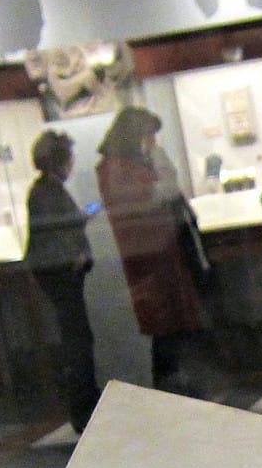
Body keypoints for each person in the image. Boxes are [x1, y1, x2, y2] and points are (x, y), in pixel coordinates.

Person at [96, 105, 208, 396]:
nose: (152, 143)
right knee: (166, 333)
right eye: (148, 136)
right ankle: (171, 394)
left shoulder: (131, 166)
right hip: (149, 257)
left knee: (175, 331)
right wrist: (161, 164)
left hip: (162, 253)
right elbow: (156, 196)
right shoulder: (117, 169)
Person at [25, 129, 102, 433]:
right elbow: (57, 231)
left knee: (79, 337)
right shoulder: (47, 192)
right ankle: (83, 408)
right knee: (77, 340)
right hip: (61, 275)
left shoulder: (46, 190)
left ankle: (86, 403)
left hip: (62, 273)